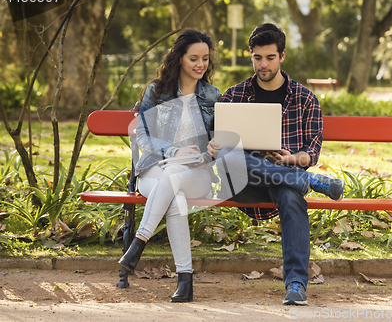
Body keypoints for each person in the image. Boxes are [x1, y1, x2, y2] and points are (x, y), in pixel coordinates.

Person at [208, 23, 344, 306]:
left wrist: (290, 159)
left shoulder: (305, 99)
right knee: (229, 155)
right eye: (257, 57)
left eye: (270, 57)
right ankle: (312, 183)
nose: (263, 64)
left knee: (291, 196)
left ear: (282, 56)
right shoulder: (233, 96)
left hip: (284, 180)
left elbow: (310, 154)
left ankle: (295, 284)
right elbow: (217, 148)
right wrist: (213, 147)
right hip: (243, 183)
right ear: (251, 56)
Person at [119, 29, 221, 303]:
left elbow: (219, 143)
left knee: (176, 176)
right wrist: (173, 150)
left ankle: (138, 243)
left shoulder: (213, 96)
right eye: (194, 58)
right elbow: (142, 135)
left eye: (205, 59)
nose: (201, 64)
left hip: (196, 172)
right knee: (174, 197)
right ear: (179, 59)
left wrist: (212, 150)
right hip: (156, 167)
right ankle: (185, 281)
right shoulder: (158, 91)